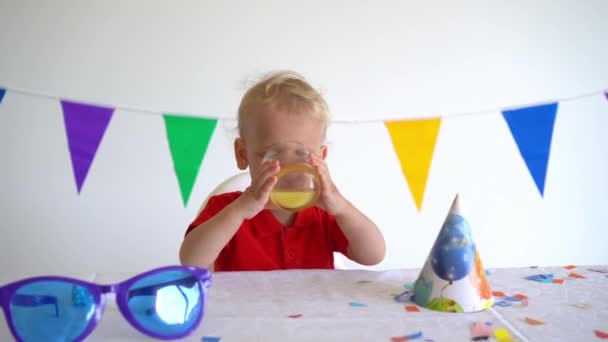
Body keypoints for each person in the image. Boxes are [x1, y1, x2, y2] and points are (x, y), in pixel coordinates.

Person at [179, 71, 385, 271]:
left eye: (302, 154)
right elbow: (191, 262)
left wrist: (342, 207)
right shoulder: (226, 209)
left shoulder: (323, 214)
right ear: (243, 154)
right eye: (273, 154)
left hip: (311, 306)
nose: (288, 168)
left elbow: (373, 256)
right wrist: (240, 210)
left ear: (321, 157)